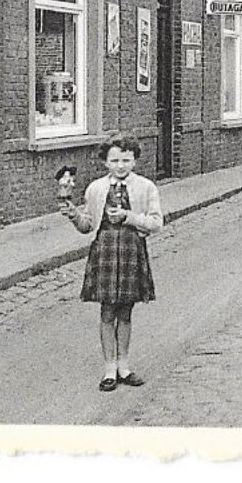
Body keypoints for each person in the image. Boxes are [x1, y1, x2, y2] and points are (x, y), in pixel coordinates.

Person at [58, 137, 162, 391]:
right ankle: (109, 370)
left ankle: (124, 367)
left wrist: (128, 217)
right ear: (105, 162)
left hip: (130, 250)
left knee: (125, 311)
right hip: (104, 251)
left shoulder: (146, 187)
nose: (120, 165)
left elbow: (156, 222)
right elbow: (87, 226)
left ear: (135, 161)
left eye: (126, 160)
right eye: (114, 160)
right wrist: (73, 214)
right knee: (107, 311)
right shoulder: (95, 189)